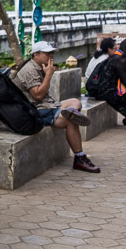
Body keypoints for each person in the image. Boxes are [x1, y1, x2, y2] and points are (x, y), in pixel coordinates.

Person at [12, 41, 101, 173]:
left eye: (52, 53)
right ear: (36, 55)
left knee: (75, 102)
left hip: (48, 105)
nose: (51, 56)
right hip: (36, 110)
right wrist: (48, 75)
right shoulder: (29, 70)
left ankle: (68, 112)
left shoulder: (40, 66)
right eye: (47, 53)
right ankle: (79, 158)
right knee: (70, 122)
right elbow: (37, 95)